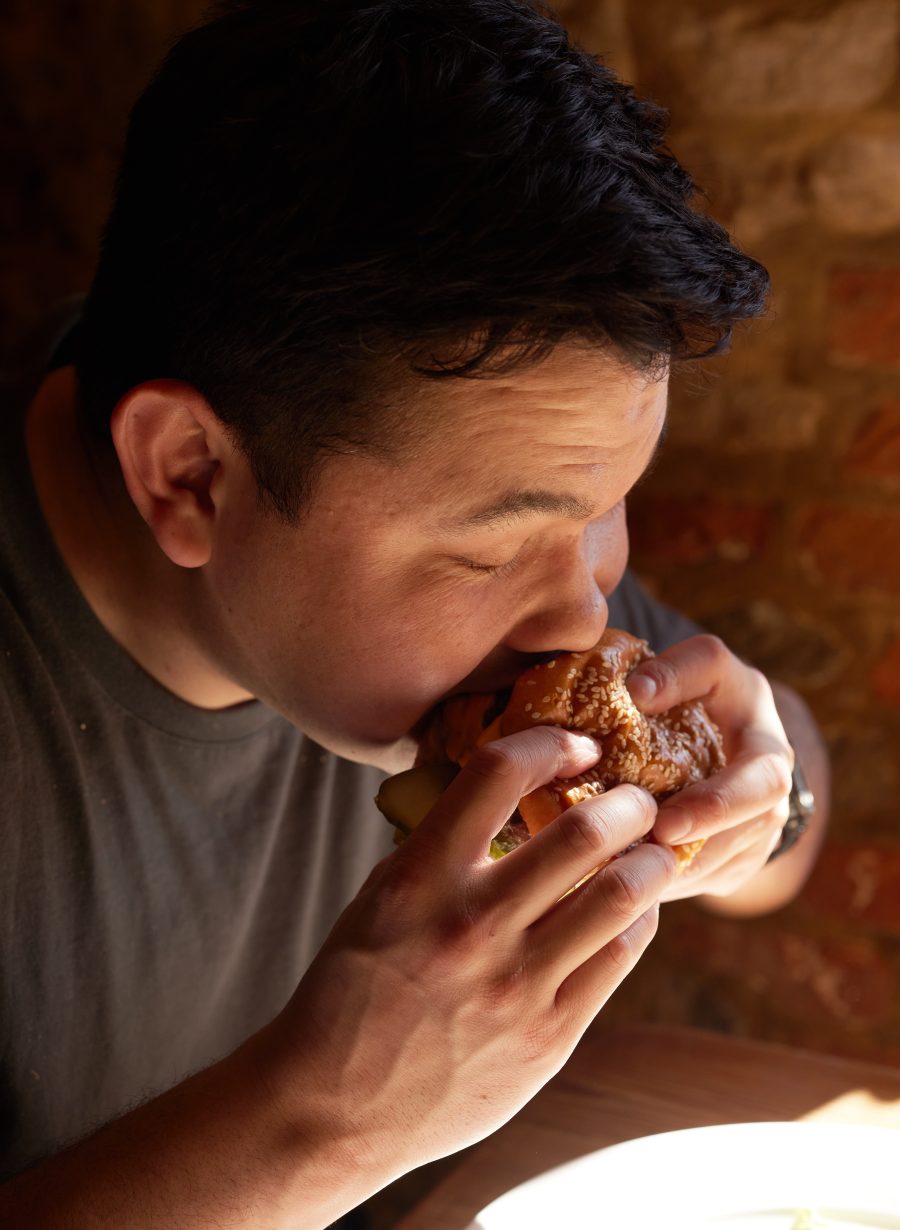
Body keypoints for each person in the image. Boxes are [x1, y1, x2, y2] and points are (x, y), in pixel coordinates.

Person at [0, 0, 829, 1225]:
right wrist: (322, 1125)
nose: (581, 609)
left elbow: (798, 812)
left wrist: (761, 808)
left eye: (612, 505)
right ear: (189, 476)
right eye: (495, 548)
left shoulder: (493, 567)